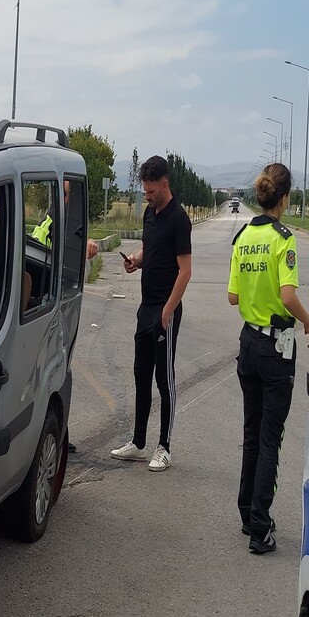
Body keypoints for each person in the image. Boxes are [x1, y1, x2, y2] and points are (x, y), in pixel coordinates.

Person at [226, 163, 309, 554]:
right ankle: (260, 529)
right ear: (283, 199)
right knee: (270, 439)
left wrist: (252, 293)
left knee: (252, 432)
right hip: (276, 347)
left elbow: (232, 296)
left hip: (248, 342)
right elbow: (288, 296)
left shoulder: (244, 236)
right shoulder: (284, 239)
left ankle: (248, 514)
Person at [111, 155, 193, 471]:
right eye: (144, 191)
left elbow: (185, 271)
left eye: (150, 191)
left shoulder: (180, 219)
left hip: (165, 311)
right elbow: (151, 251)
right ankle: (139, 442)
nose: (146, 196)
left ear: (164, 184)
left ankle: (165, 447)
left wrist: (169, 309)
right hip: (145, 309)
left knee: (164, 380)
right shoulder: (150, 213)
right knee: (140, 375)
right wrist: (135, 259)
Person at [32, 178, 98, 259]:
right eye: (63, 194)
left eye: (73, 195)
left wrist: (87, 246)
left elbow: (74, 247)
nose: (67, 199)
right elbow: (36, 263)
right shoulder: (45, 229)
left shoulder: (73, 224)